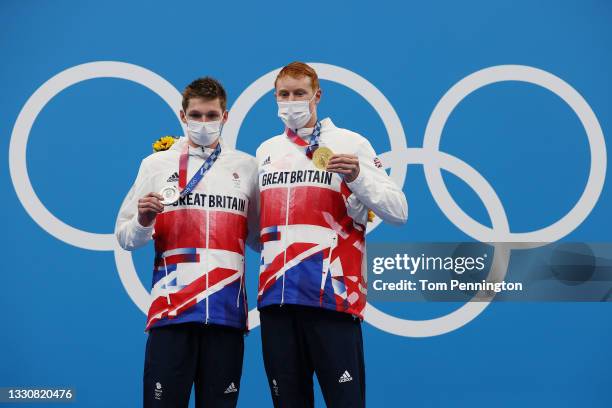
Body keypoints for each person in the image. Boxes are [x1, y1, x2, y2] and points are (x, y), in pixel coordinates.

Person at [256, 62, 408, 407]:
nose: (291, 101)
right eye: (284, 94)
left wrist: (358, 177)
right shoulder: (265, 151)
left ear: (317, 96)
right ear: (275, 97)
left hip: (333, 297)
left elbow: (398, 210)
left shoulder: (350, 143)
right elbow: (258, 232)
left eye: (300, 93)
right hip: (277, 301)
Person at [115, 77, 259, 408]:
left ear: (226, 116)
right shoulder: (155, 165)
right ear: (183, 116)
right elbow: (125, 236)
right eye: (196, 115)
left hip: (226, 316)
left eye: (211, 115)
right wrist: (143, 220)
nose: (204, 123)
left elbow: (259, 239)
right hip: (172, 314)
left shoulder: (246, 167)